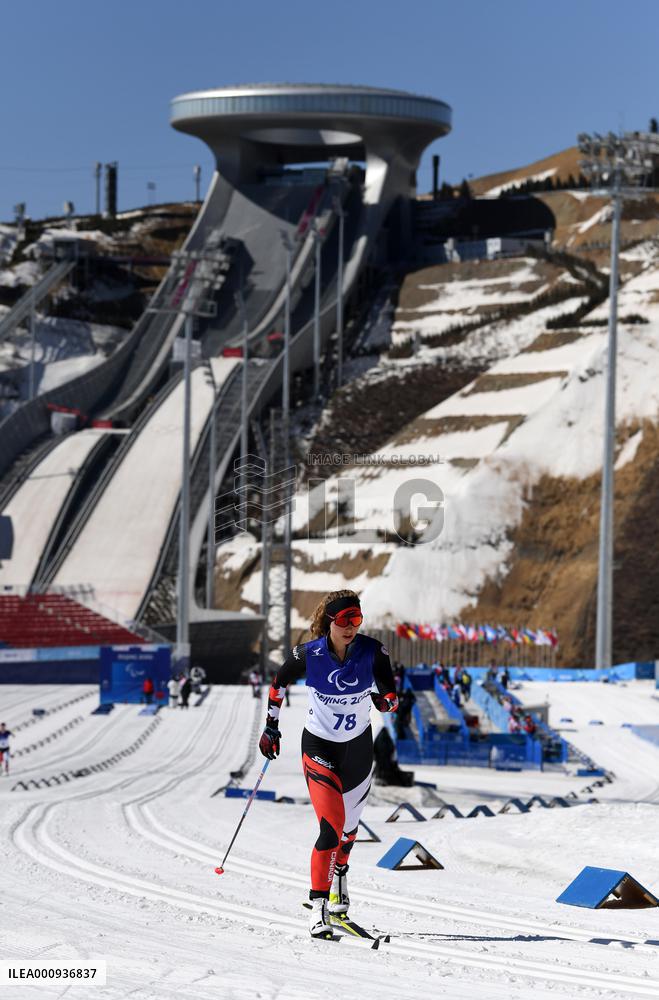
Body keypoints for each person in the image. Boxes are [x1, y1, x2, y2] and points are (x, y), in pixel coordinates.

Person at [258, 589, 398, 939]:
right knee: (330, 828)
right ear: (330, 622)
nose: (351, 626)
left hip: (358, 750)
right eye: (344, 620)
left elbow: (392, 693)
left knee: (350, 831)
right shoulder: (309, 654)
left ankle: (340, 878)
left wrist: (386, 703)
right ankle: (318, 907)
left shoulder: (372, 650)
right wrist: (271, 727)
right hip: (320, 747)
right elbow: (278, 684)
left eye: (356, 619)